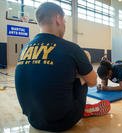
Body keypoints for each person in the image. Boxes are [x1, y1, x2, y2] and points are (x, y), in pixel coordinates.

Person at [15, 2, 110, 132]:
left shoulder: (24, 49)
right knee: (84, 57)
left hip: (33, 119)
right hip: (64, 121)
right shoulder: (71, 48)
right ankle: (81, 108)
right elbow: (93, 82)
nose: (64, 24)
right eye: (64, 21)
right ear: (58, 19)